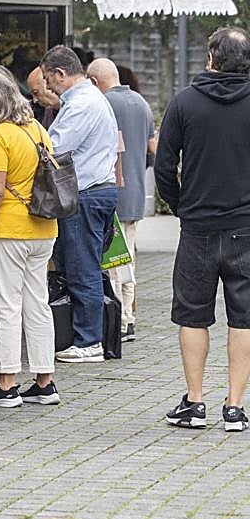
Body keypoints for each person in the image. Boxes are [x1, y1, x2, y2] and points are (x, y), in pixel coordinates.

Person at [156, 27, 250, 432]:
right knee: (244, 318)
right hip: (245, 227)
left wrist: (180, 206)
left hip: (197, 228)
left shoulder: (184, 102)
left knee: (193, 316)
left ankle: (195, 402)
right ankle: (234, 407)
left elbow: (164, 167)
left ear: (211, 58)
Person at [0, 66, 61, 408]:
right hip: (43, 228)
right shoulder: (37, 130)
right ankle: (44, 380)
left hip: (9, 230)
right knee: (37, 303)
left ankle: (7, 382)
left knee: (6, 305)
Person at [41, 45, 119, 364]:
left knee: (81, 267)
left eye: (48, 79)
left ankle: (89, 340)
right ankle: (91, 335)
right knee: (86, 266)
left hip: (84, 194)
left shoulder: (81, 104)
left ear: (60, 73)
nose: (47, 87)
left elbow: (54, 147)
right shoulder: (91, 99)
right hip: (96, 191)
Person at [89, 57, 157, 342]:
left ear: (94, 81)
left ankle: (120, 319)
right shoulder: (141, 103)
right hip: (136, 193)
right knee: (127, 258)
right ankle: (127, 316)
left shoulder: (103, 104)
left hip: (111, 192)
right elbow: (153, 148)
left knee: (113, 259)